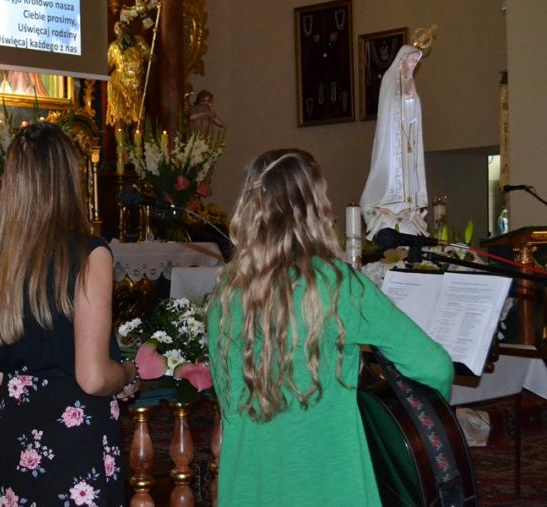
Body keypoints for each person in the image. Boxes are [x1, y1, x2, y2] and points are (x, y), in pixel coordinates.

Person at [207, 149, 453, 506]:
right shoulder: (338, 286)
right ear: (314, 209)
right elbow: (435, 366)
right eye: (323, 196)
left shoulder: (226, 295)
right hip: (327, 486)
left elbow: (227, 397)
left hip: (248, 487)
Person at [0, 122, 139, 507]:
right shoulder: (89, 254)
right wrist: (127, 373)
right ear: (69, 181)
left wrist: (32, 381)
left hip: (16, 439)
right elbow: (92, 377)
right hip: (74, 442)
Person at [360, 44, 428, 240]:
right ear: (402, 59)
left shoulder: (409, 82)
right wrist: (403, 97)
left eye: (416, 62)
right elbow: (388, 109)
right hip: (393, 141)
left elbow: (414, 109)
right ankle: (389, 203)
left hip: (407, 141)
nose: (413, 64)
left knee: (408, 170)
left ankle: (407, 207)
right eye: (411, 60)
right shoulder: (390, 80)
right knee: (393, 169)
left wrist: (411, 99)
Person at [106, 20, 150, 126]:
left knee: (138, 118)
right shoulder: (114, 46)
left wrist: (151, 56)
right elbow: (108, 65)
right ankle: (120, 137)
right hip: (118, 83)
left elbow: (149, 54)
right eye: (118, 28)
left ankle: (138, 136)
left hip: (135, 85)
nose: (121, 29)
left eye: (123, 26)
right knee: (119, 116)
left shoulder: (139, 41)